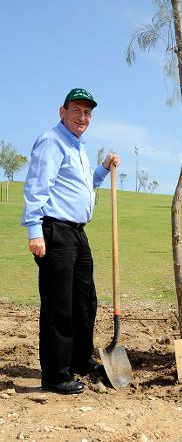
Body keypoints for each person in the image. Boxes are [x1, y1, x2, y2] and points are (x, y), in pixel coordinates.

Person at [22, 88, 120, 394]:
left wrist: (103, 169)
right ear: (61, 111)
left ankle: (79, 359)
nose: (82, 117)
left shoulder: (76, 146)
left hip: (77, 233)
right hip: (55, 231)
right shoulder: (52, 141)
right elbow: (37, 186)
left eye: (87, 113)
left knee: (84, 300)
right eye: (76, 110)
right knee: (58, 305)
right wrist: (35, 230)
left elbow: (84, 185)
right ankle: (55, 374)